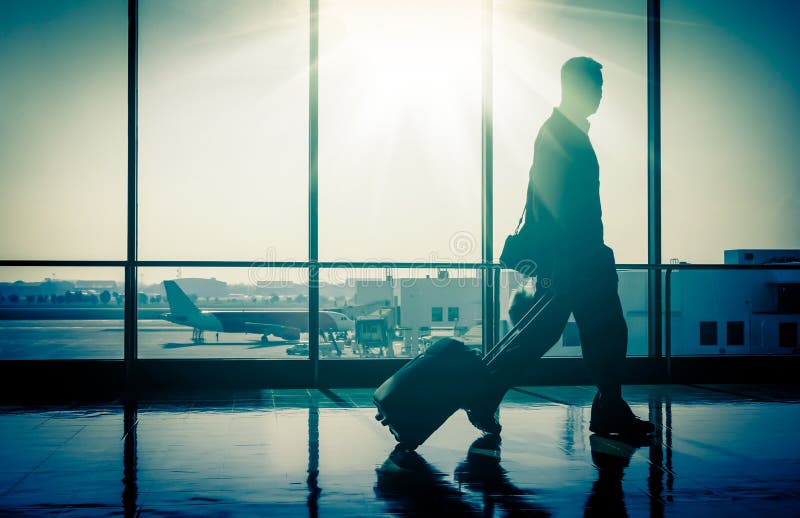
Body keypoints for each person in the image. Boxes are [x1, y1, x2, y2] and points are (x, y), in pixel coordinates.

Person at [468, 57, 655, 438]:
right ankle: (605, 408)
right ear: (575, 87)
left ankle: (489, 394)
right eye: (596, 87)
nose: (600, 95)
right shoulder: (562, 135)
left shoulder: (562, 132)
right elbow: (554, 202)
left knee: (560, 332)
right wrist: (565, 261)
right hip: (576, 257)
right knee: (596, 330)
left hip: (575, 256)